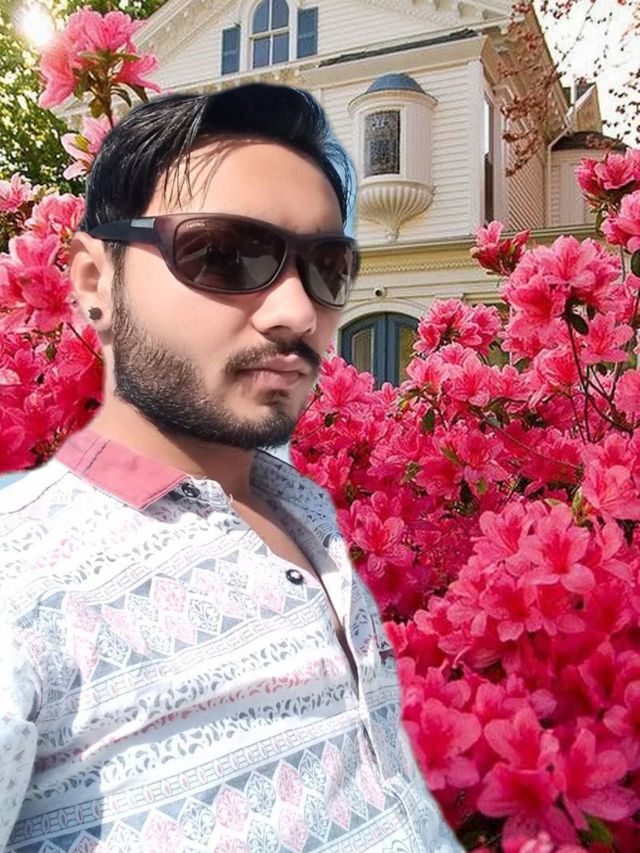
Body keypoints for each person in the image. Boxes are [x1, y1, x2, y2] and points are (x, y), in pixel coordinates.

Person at [0, 83, 462, 852]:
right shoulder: (20, 577)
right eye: (223, 253)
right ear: (94, 282)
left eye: (327, 267)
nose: (297, 312)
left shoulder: (304, 515)